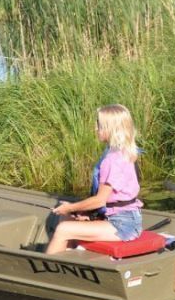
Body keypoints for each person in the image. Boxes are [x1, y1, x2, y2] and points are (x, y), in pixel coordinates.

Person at [46, 104, 143, 254]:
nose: (95, 128)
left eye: (99, 125)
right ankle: (68, 264)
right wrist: (82, 212)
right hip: (120, 218)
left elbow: (100, 200)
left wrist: (71, 207)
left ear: (111, 128)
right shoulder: (120, 151)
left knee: (63, 229)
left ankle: (49, 274)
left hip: (122, 225)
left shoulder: (112, 160)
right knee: (66, 218)